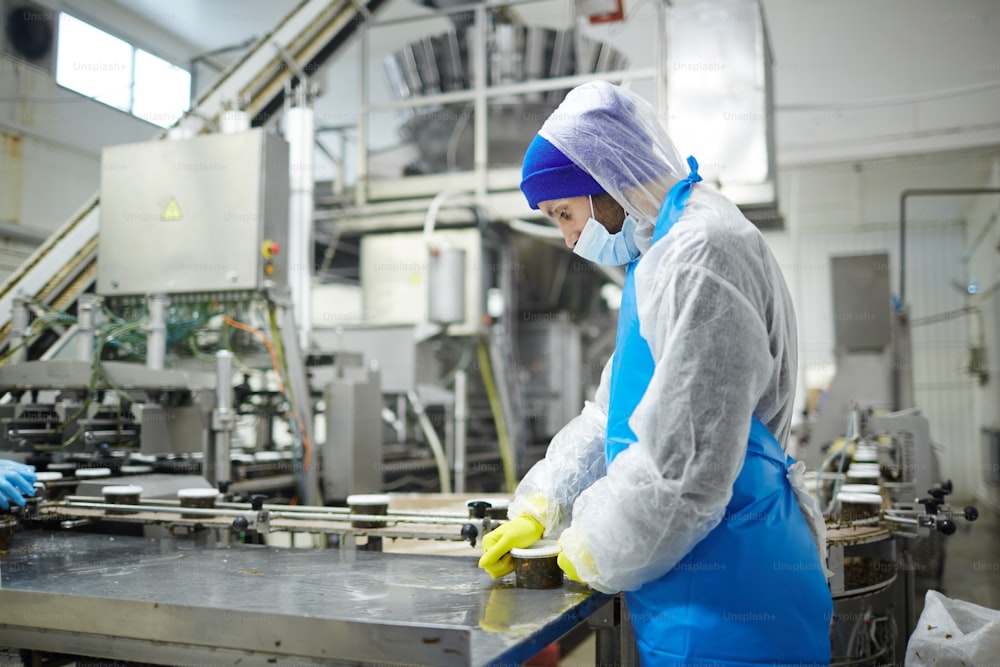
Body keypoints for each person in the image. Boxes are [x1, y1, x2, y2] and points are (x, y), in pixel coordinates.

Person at [478, 80, 832, 666]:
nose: (568, 240)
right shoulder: (661, 257)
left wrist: (598, 545)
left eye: (564, 214)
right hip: (688, 572)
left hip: (735, 600)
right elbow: (609, 414)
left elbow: (686, 468)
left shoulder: (702, 253)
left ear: (605, 182)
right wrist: (544, 504)